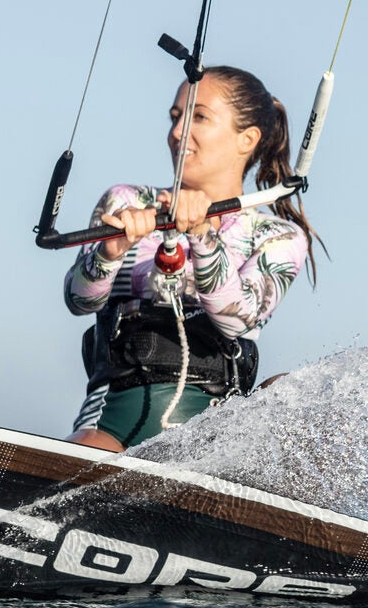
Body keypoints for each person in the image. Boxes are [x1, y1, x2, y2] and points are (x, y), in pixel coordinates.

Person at [64, 65, 316, 450]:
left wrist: (202, 234)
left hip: (215, 439)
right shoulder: (128, 201)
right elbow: (80, 300)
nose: (178, 132)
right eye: (176, 117)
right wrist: (111, 250)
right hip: (113, 423)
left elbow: (237, 318)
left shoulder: (278, 235)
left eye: (199, 117)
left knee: (294, 393)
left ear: (247, 139)